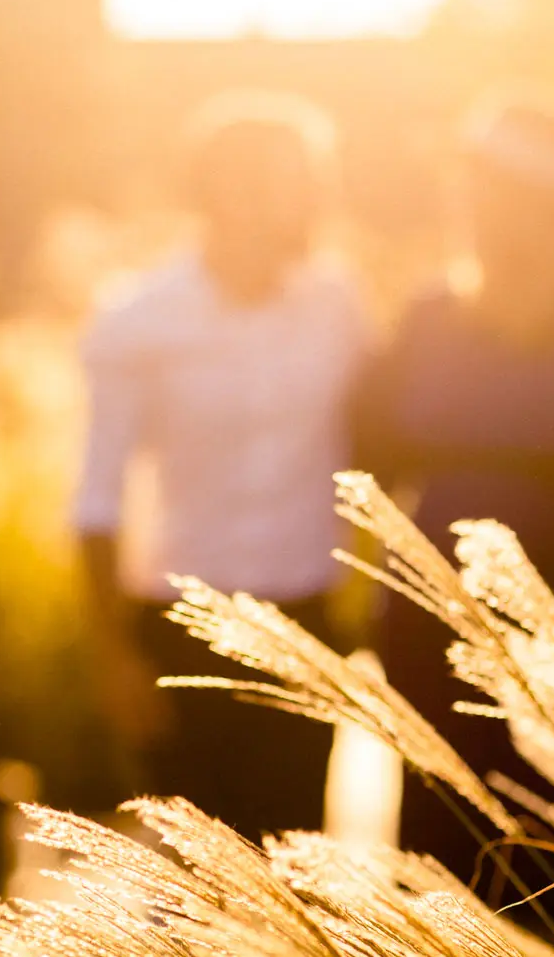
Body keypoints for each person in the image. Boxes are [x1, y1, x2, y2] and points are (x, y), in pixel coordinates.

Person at [353, 93, 554, 917]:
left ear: (548, 203)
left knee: (538, 836)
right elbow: (368, 448)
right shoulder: (431, 315)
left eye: (491, 189)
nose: (471, 205)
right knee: (430, 825)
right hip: (427, 602)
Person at [71, 91, 369, 841]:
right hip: (180, 626)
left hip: (304, 623)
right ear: (222, 191)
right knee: (189, 879)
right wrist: (112, 658)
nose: (307, 199)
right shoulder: (139, 318)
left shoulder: (337, 305)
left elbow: (373, 447)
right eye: (285, 181)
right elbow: (97, 499)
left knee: (298, 868)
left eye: (309, 181)